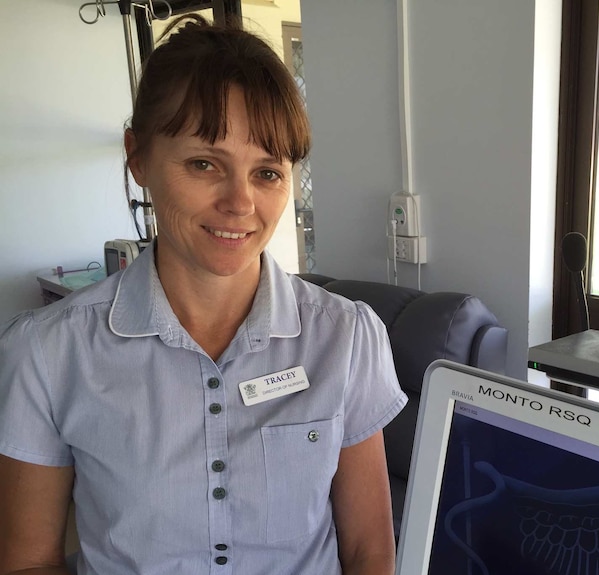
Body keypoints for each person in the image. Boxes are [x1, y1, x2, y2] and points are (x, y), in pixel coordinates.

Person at [0, 15, 406, 575]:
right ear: (138, 157)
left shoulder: (347, 337)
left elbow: (369, 552)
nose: (240, 203)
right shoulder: (48, 353)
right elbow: (28, 561)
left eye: (267, 173)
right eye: (203, 164)